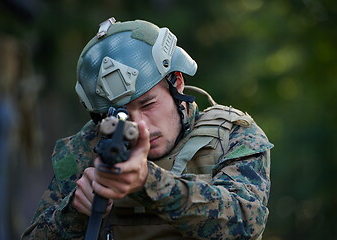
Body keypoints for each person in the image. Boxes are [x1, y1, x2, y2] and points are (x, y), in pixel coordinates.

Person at [22, 17, 273, 240]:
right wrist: (74, 212)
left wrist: (148, 182)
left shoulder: (232, 134)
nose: (139, 125)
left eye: (148, 104)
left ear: (177, 82)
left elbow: (247, 223)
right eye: (122, 115)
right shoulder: (85, 149)